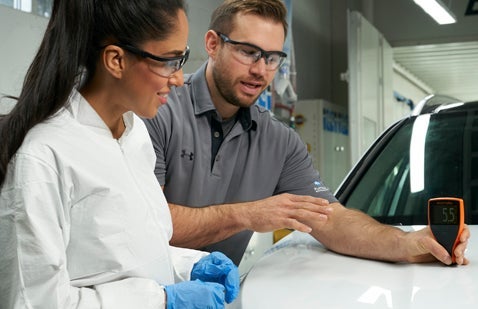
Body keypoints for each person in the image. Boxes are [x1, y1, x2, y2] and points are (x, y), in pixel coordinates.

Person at [143, 0, 470, 267]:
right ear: (213, 44)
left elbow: (332, 220)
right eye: (248, 52)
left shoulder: (280, 142)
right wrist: (248, 214)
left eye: (273, 58)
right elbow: (147, 224)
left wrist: (407, 243)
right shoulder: (157, 109)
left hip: (218, 296)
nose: (261, 70)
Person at [0, 0, 239, 308]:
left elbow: (129, 254)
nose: (179, 79)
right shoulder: (43, 157)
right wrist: (162, 299)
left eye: (182, 59)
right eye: (169, 61)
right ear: (115, 60)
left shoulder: (134, 133)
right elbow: (35, 301)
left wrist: (188, 265)